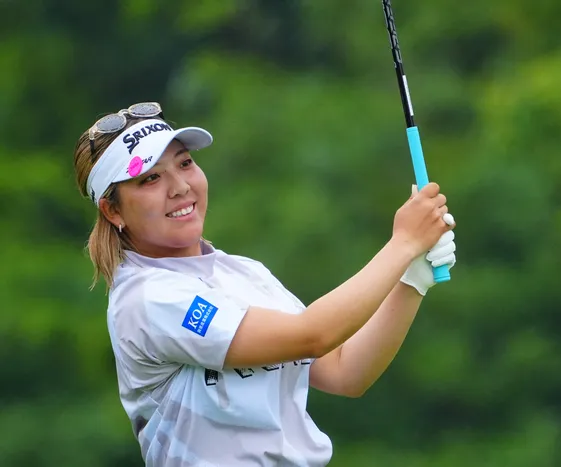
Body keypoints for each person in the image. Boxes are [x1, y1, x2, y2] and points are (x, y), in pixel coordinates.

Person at [73, 102, 457, 467]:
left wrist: (411, 278)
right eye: (150, 178)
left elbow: (345, 372)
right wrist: (402, 244)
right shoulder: (147, 298)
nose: (180, 187)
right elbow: (314, 335)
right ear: (113, 210)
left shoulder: (243, 272)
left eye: (185, 163)